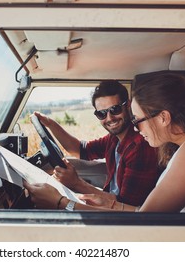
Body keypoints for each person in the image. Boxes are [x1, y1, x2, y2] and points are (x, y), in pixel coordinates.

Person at [24, 73, 185, 212]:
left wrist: (61, 203)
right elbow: (144, 213)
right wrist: (107, 202)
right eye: (101, 113)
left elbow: (145, 220)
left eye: (138, 120)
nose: (136, 128)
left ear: (163, 118)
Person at [31, 80, 160, 207]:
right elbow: (81, 150)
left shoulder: (140, 146)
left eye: (115, 109)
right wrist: (50, 124)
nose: (109, 118)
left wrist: (76, 183)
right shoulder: (114, 139)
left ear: (128, 106)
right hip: (111, 205)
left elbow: (125, 206)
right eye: (101, 113)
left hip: (123, 218)